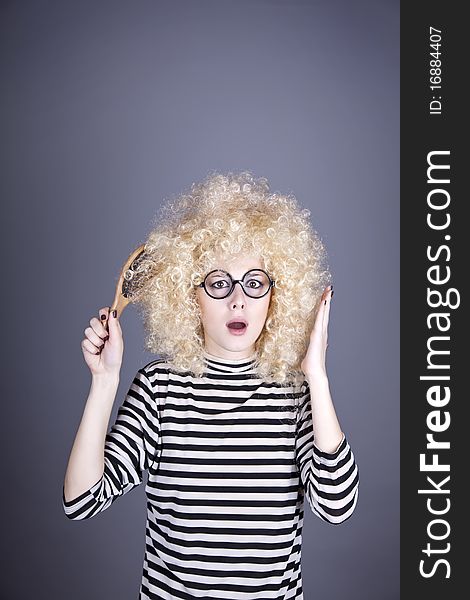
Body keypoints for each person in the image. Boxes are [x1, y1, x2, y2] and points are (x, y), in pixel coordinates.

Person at [62, 171, 359, 600]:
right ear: (189, 296)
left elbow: (337, 507)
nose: (238, 300)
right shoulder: (158, 389)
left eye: (254, 283)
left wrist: (317, 376)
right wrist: (104, 383)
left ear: (276, 295)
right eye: (219, 283)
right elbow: (82, 501)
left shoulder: (295, 393)